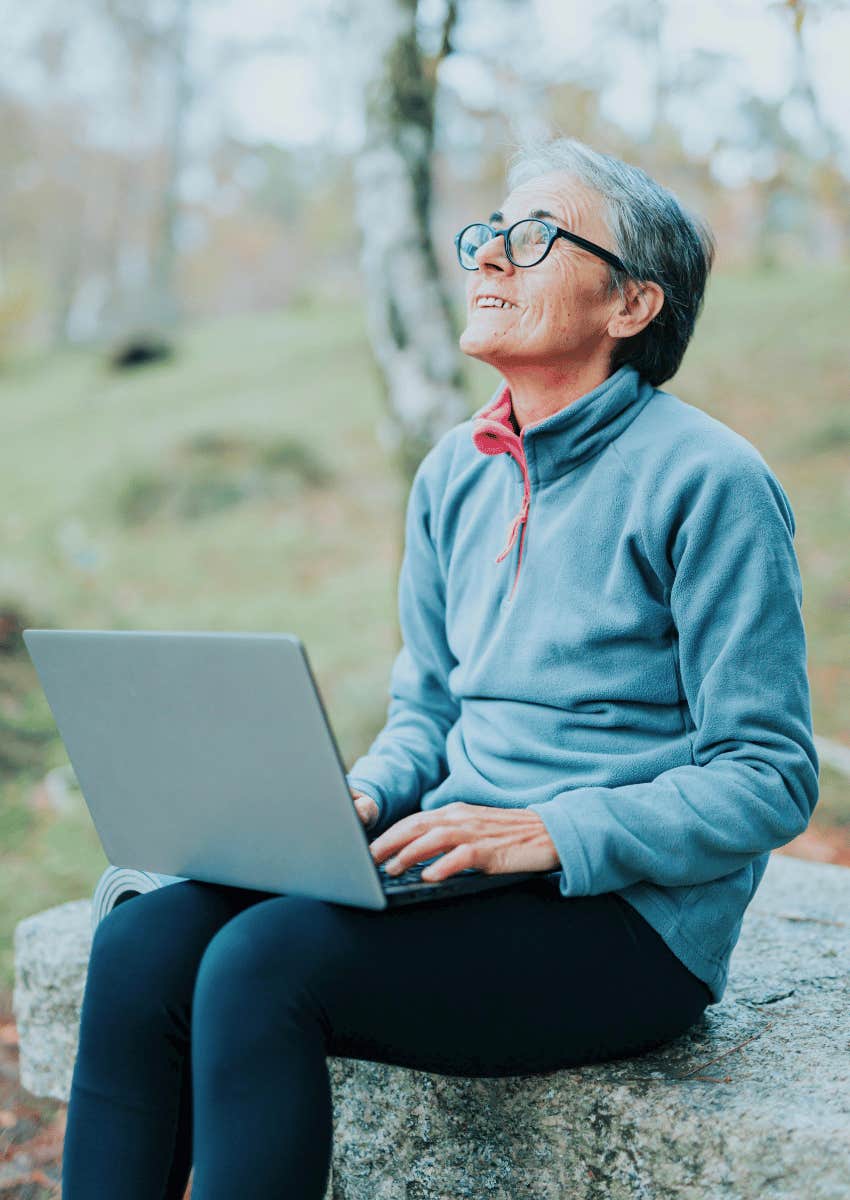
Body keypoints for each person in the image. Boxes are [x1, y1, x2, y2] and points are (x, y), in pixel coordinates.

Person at [61, 137, 818, 1199]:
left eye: (534, 238)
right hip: (457, 872)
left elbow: (769, 775)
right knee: (144, 943)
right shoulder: (454, 471)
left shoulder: (712, 483)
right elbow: (427, 705)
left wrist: (548, 830)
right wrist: (363, 796)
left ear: (632, 304)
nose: (489, 258)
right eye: (487, 235)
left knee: (262, 962)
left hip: (628, 921)